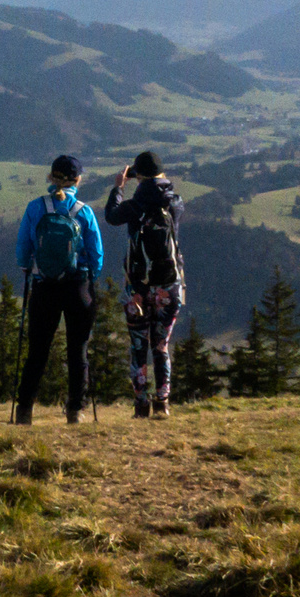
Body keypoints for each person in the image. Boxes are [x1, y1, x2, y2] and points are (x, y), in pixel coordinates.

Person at [12, 154, 104, 424]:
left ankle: (25, 410)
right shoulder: (84, 212)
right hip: (78, 286)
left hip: (44, 287)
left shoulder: (36, 208)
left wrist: (28, 269)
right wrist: (90, 278)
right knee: (78, 350)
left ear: (51, 177)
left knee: (38, 351)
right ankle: (76, 410)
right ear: (77, 179)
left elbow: (22, 250)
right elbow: (96, 254)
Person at [104, 151, 185, 418]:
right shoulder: (174, 203)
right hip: (168, 286)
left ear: (138, 175)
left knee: (138, 346)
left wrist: (119, 186)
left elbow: (112, 216)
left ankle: (141, 404)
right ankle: (163, 402)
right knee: (161, 345)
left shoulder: (135, 206)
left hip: (137, 288)